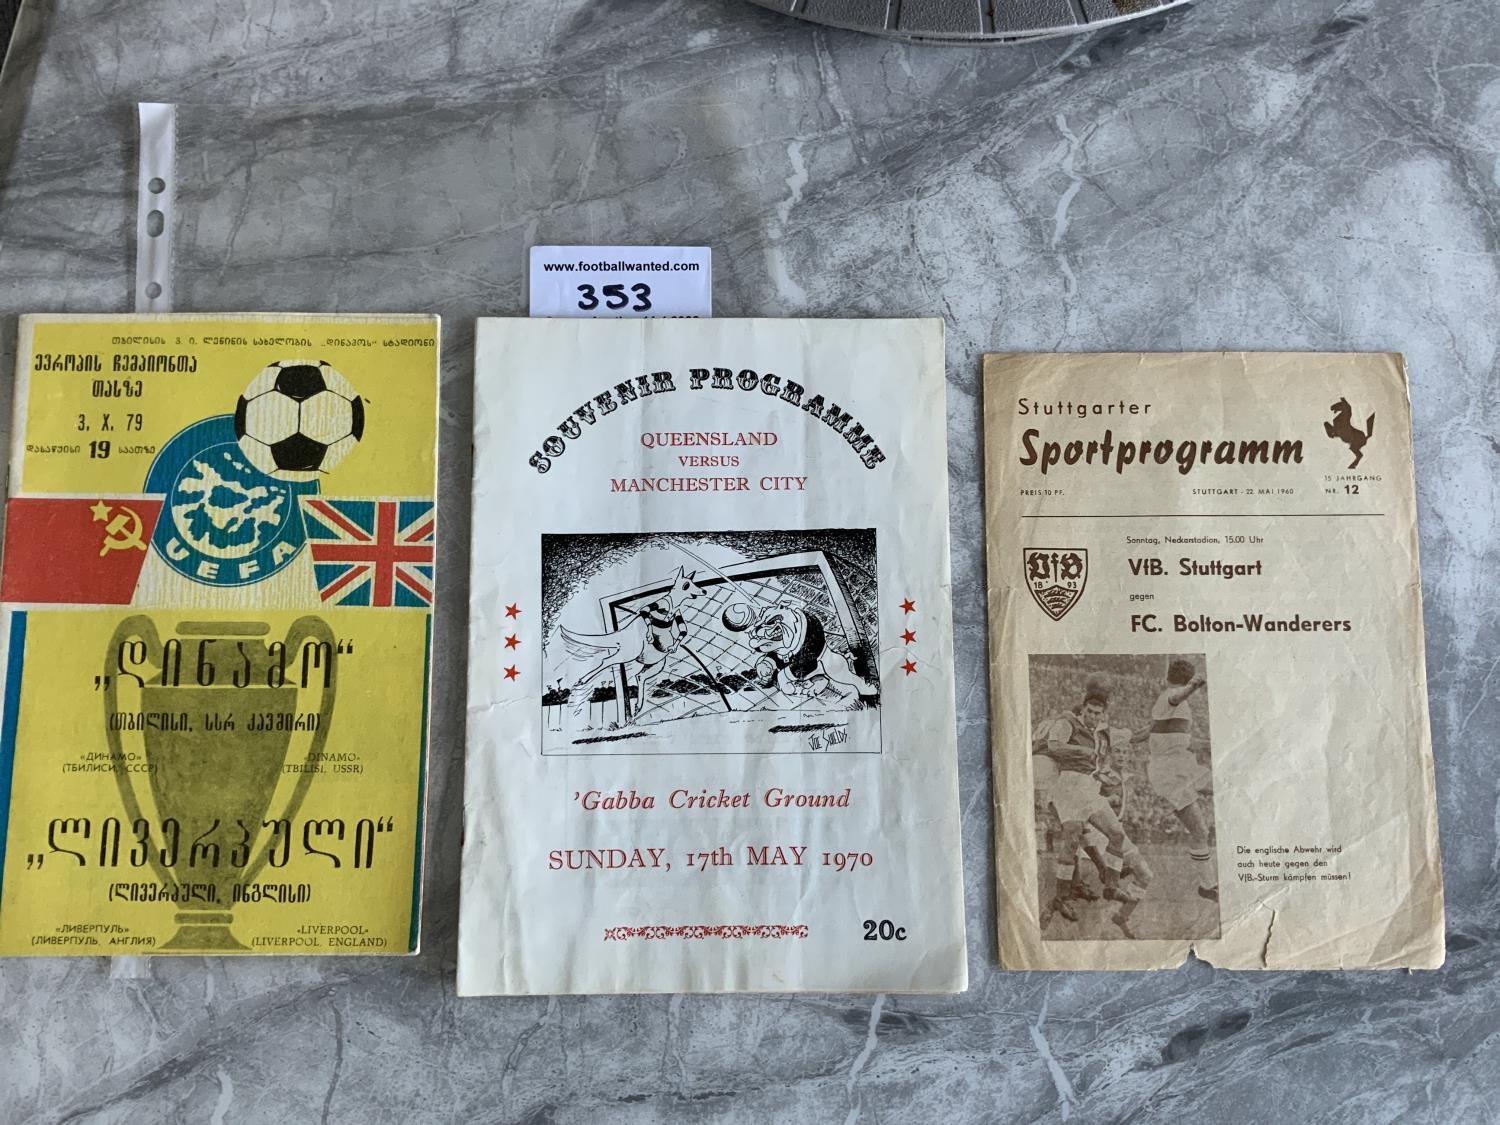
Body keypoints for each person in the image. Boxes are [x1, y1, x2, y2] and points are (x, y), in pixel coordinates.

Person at [1034, 677, 1152, 931]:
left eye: (1098, 713)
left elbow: (1137, 736)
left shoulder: (1105, 732)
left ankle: (1111, 886)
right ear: (1083, 709)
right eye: (1089, 711)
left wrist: (1162, 723)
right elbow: (1054, 746)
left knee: (1116, 833)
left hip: (1088, 788)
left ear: (1103, 714)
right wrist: (1083, 752)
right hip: (1068, 784)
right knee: (1072, 839)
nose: (1093, 716)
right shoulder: (1067, 722)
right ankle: (1061, 898)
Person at [1146, 659, 1216, 902]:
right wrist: (1194, 686)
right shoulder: (1172, 696)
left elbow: (1161, 732)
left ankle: (1208, 885)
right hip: (1171, 770)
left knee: (1201, 831)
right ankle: (1208, 885)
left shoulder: (1169, 706)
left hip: (1179, 766)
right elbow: (1176, 697)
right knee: (1225, 790)